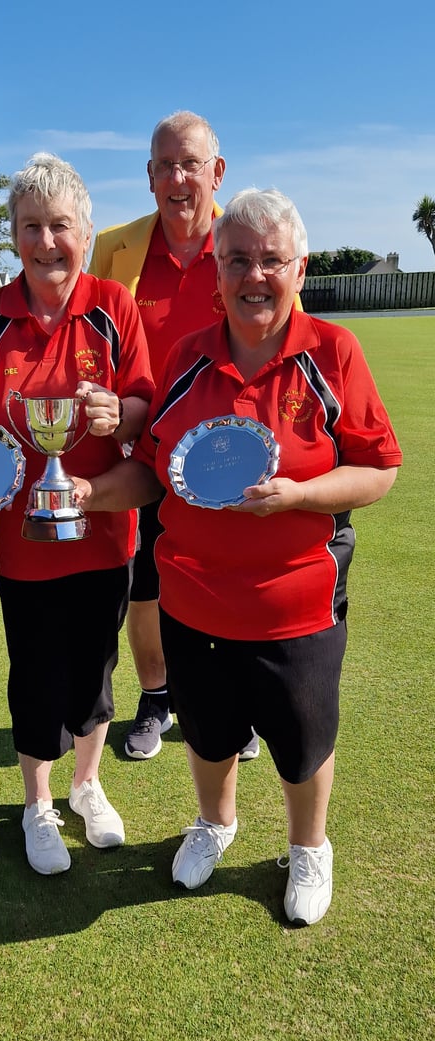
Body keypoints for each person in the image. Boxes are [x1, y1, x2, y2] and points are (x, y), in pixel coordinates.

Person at [74, 188, 401, 924]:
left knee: (301, 738)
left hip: (297, 601)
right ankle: (216, 823)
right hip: (194, 600)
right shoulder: (188, 358)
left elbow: (377, 468)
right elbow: (153, 469)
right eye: (239, 260)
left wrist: (298, 494)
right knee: (211, 732)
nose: (255, 275)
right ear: (217, 272)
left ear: (300, 269)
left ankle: (309, 846)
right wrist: (86, 494)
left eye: (271, 261)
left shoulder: (332, 353)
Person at [0, 153, 154, 876]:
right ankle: (37, 803)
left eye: (59, 225)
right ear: (12, 234)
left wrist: (114, 410)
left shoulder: (112, 306)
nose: (45, 241)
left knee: (94, 669)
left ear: (86, 231)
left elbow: (145, 407)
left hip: (104, 531)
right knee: (34, 670)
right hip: (22, 541)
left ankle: (87, 786)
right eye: (30, 225)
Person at [89, 111, 260, 762]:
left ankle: (232, 703)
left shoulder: (247, 244)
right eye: (163, 166)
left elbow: (284, 338)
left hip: (227, 456)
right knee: (147, 588)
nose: (177, 178)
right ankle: (158, 698)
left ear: (217, 173)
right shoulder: (113, 250)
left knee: (230, 582)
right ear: (149, 178)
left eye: (190, 164)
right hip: (143, 456)